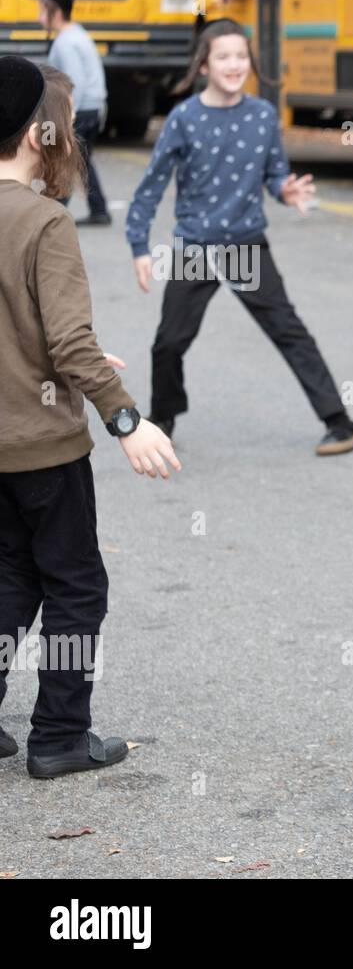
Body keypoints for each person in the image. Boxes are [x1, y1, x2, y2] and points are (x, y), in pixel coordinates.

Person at [0, 57, 180, 779]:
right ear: (40, 133)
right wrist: (128, 419)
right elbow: (68, 342)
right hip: (45, 450)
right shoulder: (44, 221)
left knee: (9, 580)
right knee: (76, 586)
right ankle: (59, 737)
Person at [125, 19, 353, 456]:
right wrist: (139, 245)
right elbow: (151, 188)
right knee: (169, 342)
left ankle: (340, 422)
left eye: (241, 56)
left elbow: (274, 175)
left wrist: (285, 190)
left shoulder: (263, 115)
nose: (235, 65)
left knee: (289, 332)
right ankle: (163, 420)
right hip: (196, 247)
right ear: (204, 64)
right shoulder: (184, 118)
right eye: (224, 56)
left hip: (246, 246)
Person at [38, 0, 110, 226]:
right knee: (83, 158)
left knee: (62, 160)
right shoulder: (78, 34)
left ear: (55, 12)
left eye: (42, 11)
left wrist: (65, 118)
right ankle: (99, 210)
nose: (39, 18)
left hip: (81, 110)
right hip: (94, 108)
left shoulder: (65, 43)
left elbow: (71, 83)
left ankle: (52, 216)